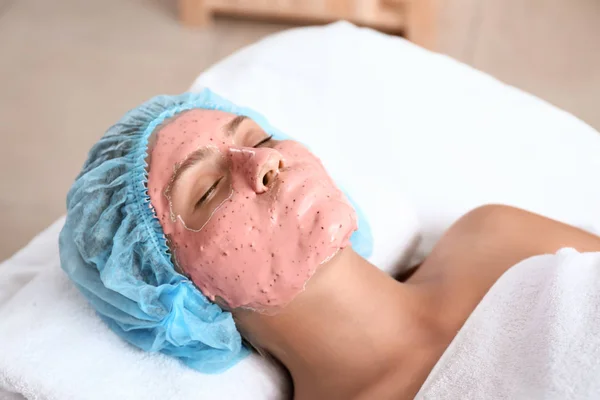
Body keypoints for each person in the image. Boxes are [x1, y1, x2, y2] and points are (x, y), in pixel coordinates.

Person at [59, 90, 600, 400]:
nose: (265, 161)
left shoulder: (495, 236)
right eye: (208, 190)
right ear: (185, 296)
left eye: (259, 138)